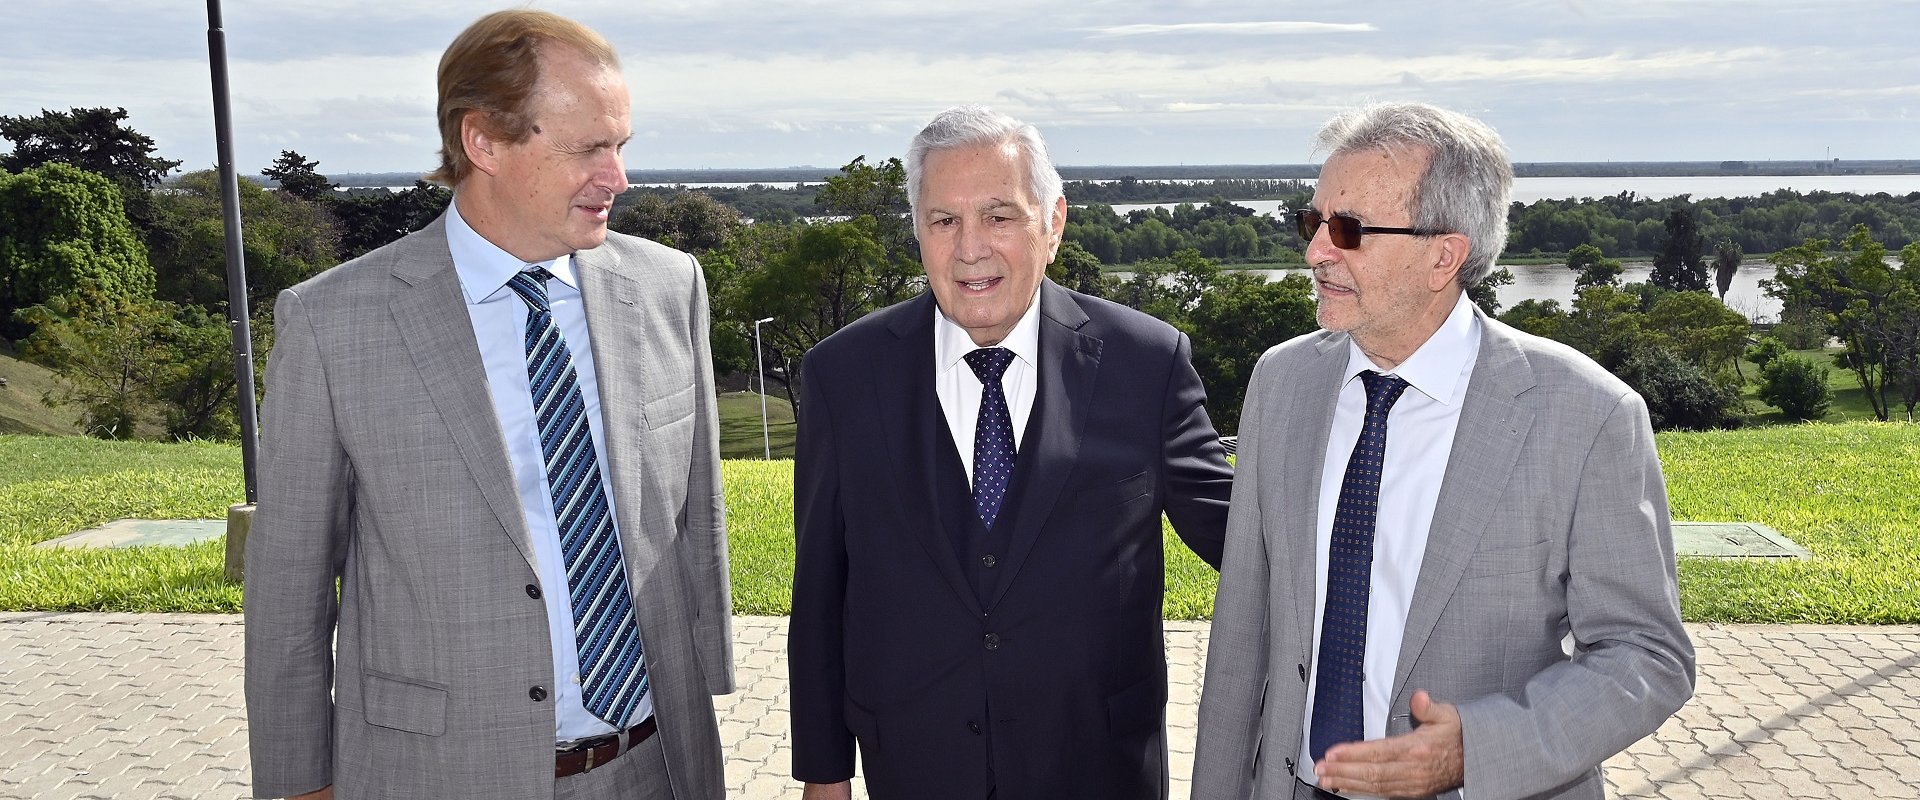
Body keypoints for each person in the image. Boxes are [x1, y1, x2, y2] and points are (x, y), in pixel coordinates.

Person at [243, 10, 732, 800]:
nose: (619, 178)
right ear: (484, 141)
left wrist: (707, 675)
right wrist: (300, 784)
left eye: (622, 145)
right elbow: (289, 591)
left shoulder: (671, 287)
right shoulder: (334, 324)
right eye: (588, 149)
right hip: (439, 776)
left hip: (657, 765)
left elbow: (694, 520)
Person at [1191, 102, 1695, 800]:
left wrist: (1476, 750)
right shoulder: (1281, 382)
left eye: (1347, 231)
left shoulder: (1587, 415)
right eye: (1313, 223)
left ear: (1443, 256)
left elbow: (1648, 656)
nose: (1315, 253)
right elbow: (1242, 635)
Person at [787, 105, 1236, 800]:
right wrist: (824, 772)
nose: (971, 248)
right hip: (915, 766)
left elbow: (1244, 539)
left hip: (1098, 767)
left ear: (1052, 223)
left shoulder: (1145, 363)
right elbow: (821, 592)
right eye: (944, 221)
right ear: (918, 232)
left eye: (999, 216)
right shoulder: (844, 376)